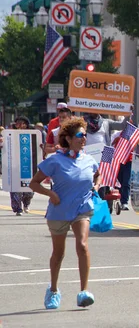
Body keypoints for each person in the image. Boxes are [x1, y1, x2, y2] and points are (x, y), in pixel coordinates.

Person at [29, 117, 100, 309]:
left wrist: (96, 186)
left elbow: (97, 174)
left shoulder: (89, 160)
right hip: (59, 211)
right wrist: (50, 193)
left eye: (85, 135)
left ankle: (84, 291)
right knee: (58, 253)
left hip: (81, 209)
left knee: (83, 245)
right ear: (68, 139)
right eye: (79, 135)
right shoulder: (54, 161)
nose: (83, 138)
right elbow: (34, 183)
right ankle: (53, 290)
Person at [10, 116, 35, 216]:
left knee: (29, 190)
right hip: (14, 165)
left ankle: (26, 203)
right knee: (15, 188)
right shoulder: (9, 135)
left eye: (22, 123)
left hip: (28, 166)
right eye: (18, 124)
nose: (20, 125)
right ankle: (18, 209)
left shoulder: (33, 135)